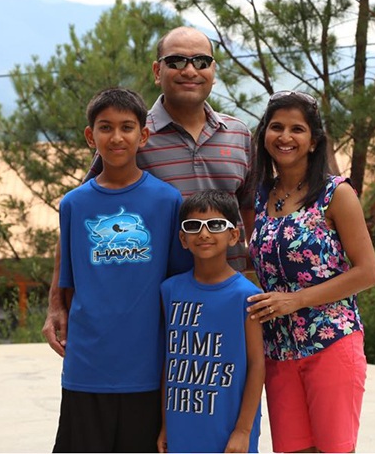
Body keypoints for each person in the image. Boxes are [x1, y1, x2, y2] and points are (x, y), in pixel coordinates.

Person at [43, 26, 253, 358]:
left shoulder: (239, 135)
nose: (189, 70)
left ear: (214, 71)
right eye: (176, 61)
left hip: (229, 298)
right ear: (158, 71)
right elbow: (82, 215)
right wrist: (57, 302)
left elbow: (250, 212)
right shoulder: (131, 134)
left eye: (201, 61)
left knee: (229, 394)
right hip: (160, 308)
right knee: (168, 404)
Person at [52, 87, 192, 452]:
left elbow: (176, 284)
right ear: (90, 136)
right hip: (86, 367)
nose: (116, 137)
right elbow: (68, 286)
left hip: (146, 368)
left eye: (127, 127)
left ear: (143, 135)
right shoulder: (73, 204)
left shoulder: (167, 200)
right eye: (105, 127)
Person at [245, 91, 375, 453]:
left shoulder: (336, 194)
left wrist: (296, 300)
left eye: (296, 129)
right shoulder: (261, 196)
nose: (285, 137)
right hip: (278, 350)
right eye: (276, 127)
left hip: (331, 342)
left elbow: (368, 272)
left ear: (313, 140)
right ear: (264, 135)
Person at [158, 190, 264, 453]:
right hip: (181, 428)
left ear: (233, 235)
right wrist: (165, 424)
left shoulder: (247, 296)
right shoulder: (169, 291)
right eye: (193, 226)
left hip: (228, 432)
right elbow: (168, 363)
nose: (204, 234)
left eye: (215, 225)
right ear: (183, 238)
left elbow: (257, 364)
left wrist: (243, 430)